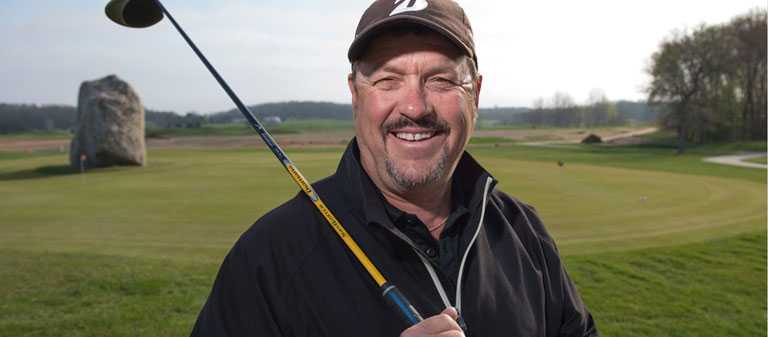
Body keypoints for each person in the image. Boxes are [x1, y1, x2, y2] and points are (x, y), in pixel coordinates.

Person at [190, 1, 599, 336]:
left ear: (475, 94)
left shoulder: (524, 231)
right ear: (355, 94)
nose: (415, 107)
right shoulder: (269, 257)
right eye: (388, 81)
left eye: (440, 80)